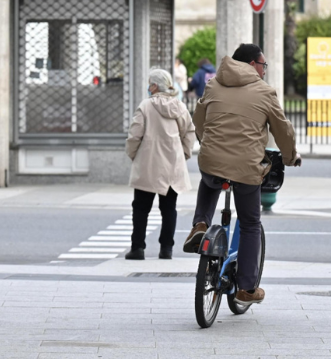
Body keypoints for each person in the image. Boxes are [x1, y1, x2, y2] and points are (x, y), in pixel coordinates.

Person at [183, 43, 300, 307]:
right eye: (263, 65)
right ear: (251, 65)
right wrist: (291, 157)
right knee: (249, 223)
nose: (264, 71)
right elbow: (283, 130)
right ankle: (246, 288)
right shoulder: (264, 91)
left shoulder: (213, 85)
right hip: (246, 168)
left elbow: (199, 120)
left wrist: (208, 143)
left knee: (209, 178)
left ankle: (200, 223)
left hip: (212, 160)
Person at [125, 69, 195, 260]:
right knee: (169, 208)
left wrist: (134, 156)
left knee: (140, 208)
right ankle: (166, 249)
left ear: (154, 86)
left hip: (148, 164)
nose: (148, 87)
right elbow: (189, 133)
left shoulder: (146, 106)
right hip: (172, 164)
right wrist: (184, 154)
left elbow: (134, 135)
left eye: (150, 84)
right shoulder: (179, 106)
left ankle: (138, 248)